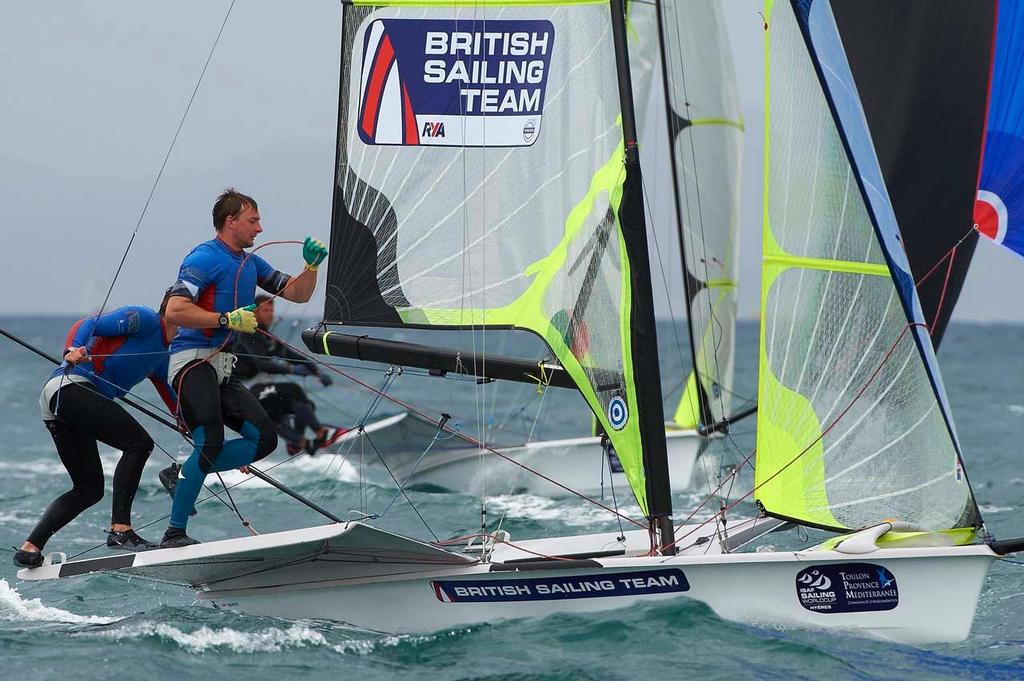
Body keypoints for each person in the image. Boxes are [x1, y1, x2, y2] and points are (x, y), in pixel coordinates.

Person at [159, 188, 327, 548]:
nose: (260, 228)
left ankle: (183, 472)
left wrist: (311, 268)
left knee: (264, 439)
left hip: (223, 368)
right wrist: (225, 319)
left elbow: (298, 294)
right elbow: (174, 310)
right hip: (192, 362)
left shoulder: (252, 264)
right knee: (210, 440)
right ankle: (174, 533)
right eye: (253, 220)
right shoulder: (204, 257)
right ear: (230, 221)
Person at [15, 298, 178, 568]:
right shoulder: (145, 319)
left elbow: (169, 394)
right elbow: (89, 323)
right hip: (71, 386)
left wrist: (191, 424)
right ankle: (121, 530)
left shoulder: (163, 355)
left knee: (89, 489)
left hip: (60, 400)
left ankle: (30, 548)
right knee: (138, 444)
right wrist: (72, 349)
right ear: (171, 308)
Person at [232, 294, 337, 455]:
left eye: (271, 310)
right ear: (254, 313)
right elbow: (261, 364)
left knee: (302, 407)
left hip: (260, 390)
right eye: (265, 310)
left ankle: (299, 442)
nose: (270, 314)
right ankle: (320, 432)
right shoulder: (247, 334)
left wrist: (317, 372)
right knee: (294, 390)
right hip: (246, 391)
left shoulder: (267, 338)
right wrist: (291, 370)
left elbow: (291, 355)